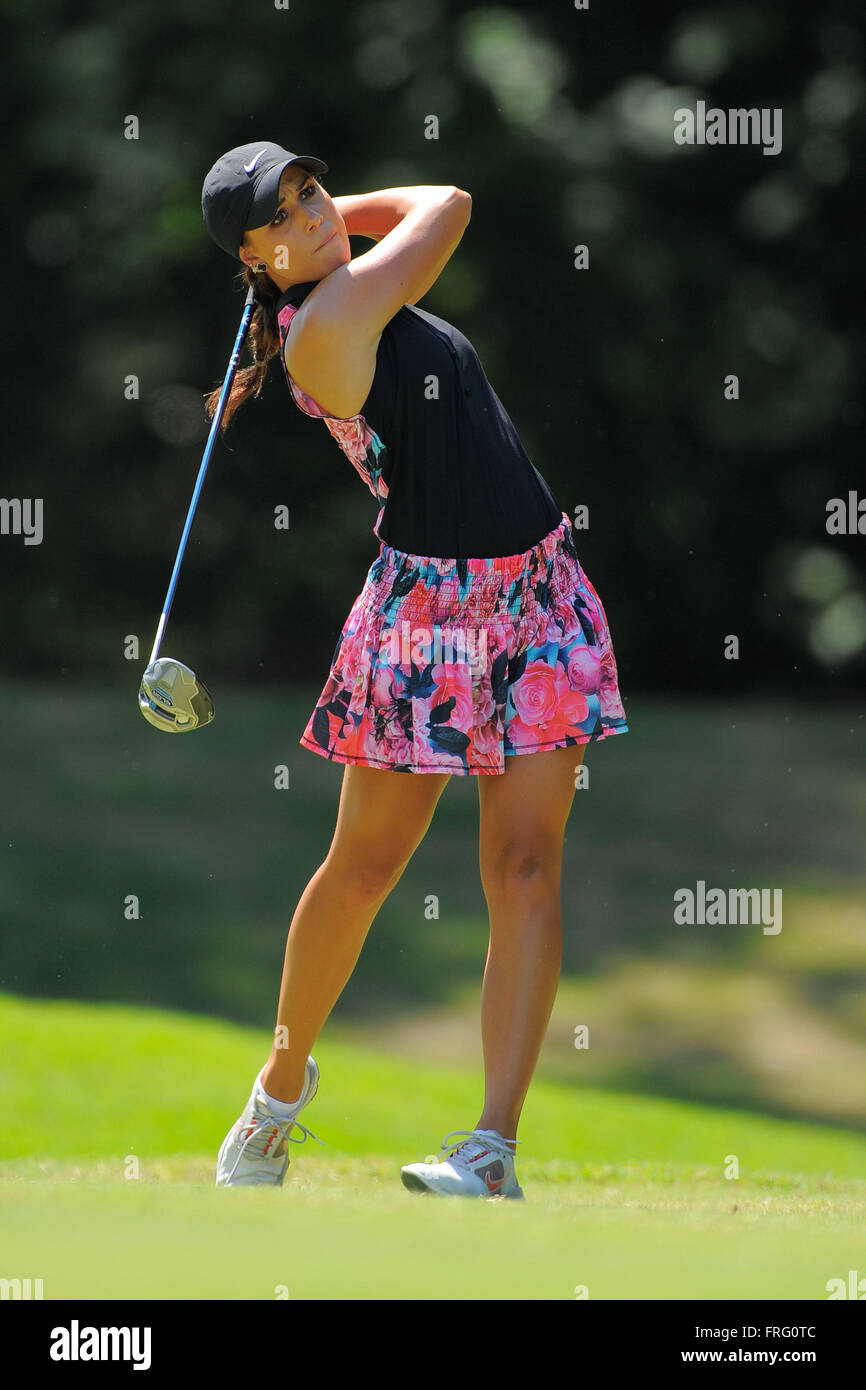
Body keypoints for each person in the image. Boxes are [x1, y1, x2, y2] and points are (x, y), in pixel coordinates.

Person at [200, 140, 629, 1198]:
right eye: (284, 217)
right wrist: (329, 230)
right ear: (252, 255)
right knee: (363, 868)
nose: (311, 216)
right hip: (428, 622)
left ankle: (490, 1149)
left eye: (310, 192)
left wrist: (311, 229)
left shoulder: (338, 282)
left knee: (525, 868)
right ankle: (278, 1095)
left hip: (536, 591)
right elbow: (448, 200)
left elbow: (424, 213)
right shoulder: (327, 324)